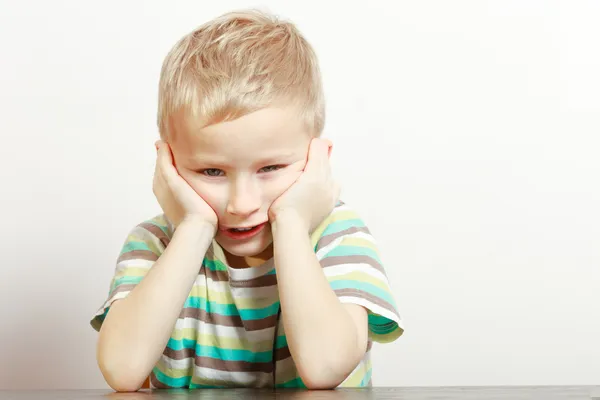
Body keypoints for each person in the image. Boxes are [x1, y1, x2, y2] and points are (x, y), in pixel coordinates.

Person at [90, 8, 403, 392]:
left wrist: (290, 221)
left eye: (270, 168)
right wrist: (194, 226)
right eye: (213, 172)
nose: (241, 203)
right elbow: (122, 370)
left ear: (316, 159)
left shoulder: (338, 236)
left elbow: (324, 368)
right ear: (168, 163)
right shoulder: (155, 244)